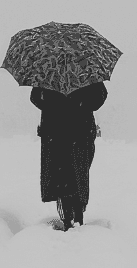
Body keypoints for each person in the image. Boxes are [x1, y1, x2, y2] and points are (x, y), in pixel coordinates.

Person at [31, 81, 107, 230]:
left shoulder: (48, 69)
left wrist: (52, 106)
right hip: (80, 128)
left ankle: (68, 215)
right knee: (78, 170)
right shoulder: (85, 69)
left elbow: (35, 98)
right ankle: (77, 213)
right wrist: (82, 104)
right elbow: (100, 97)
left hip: (55, 128)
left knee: (62, 171)